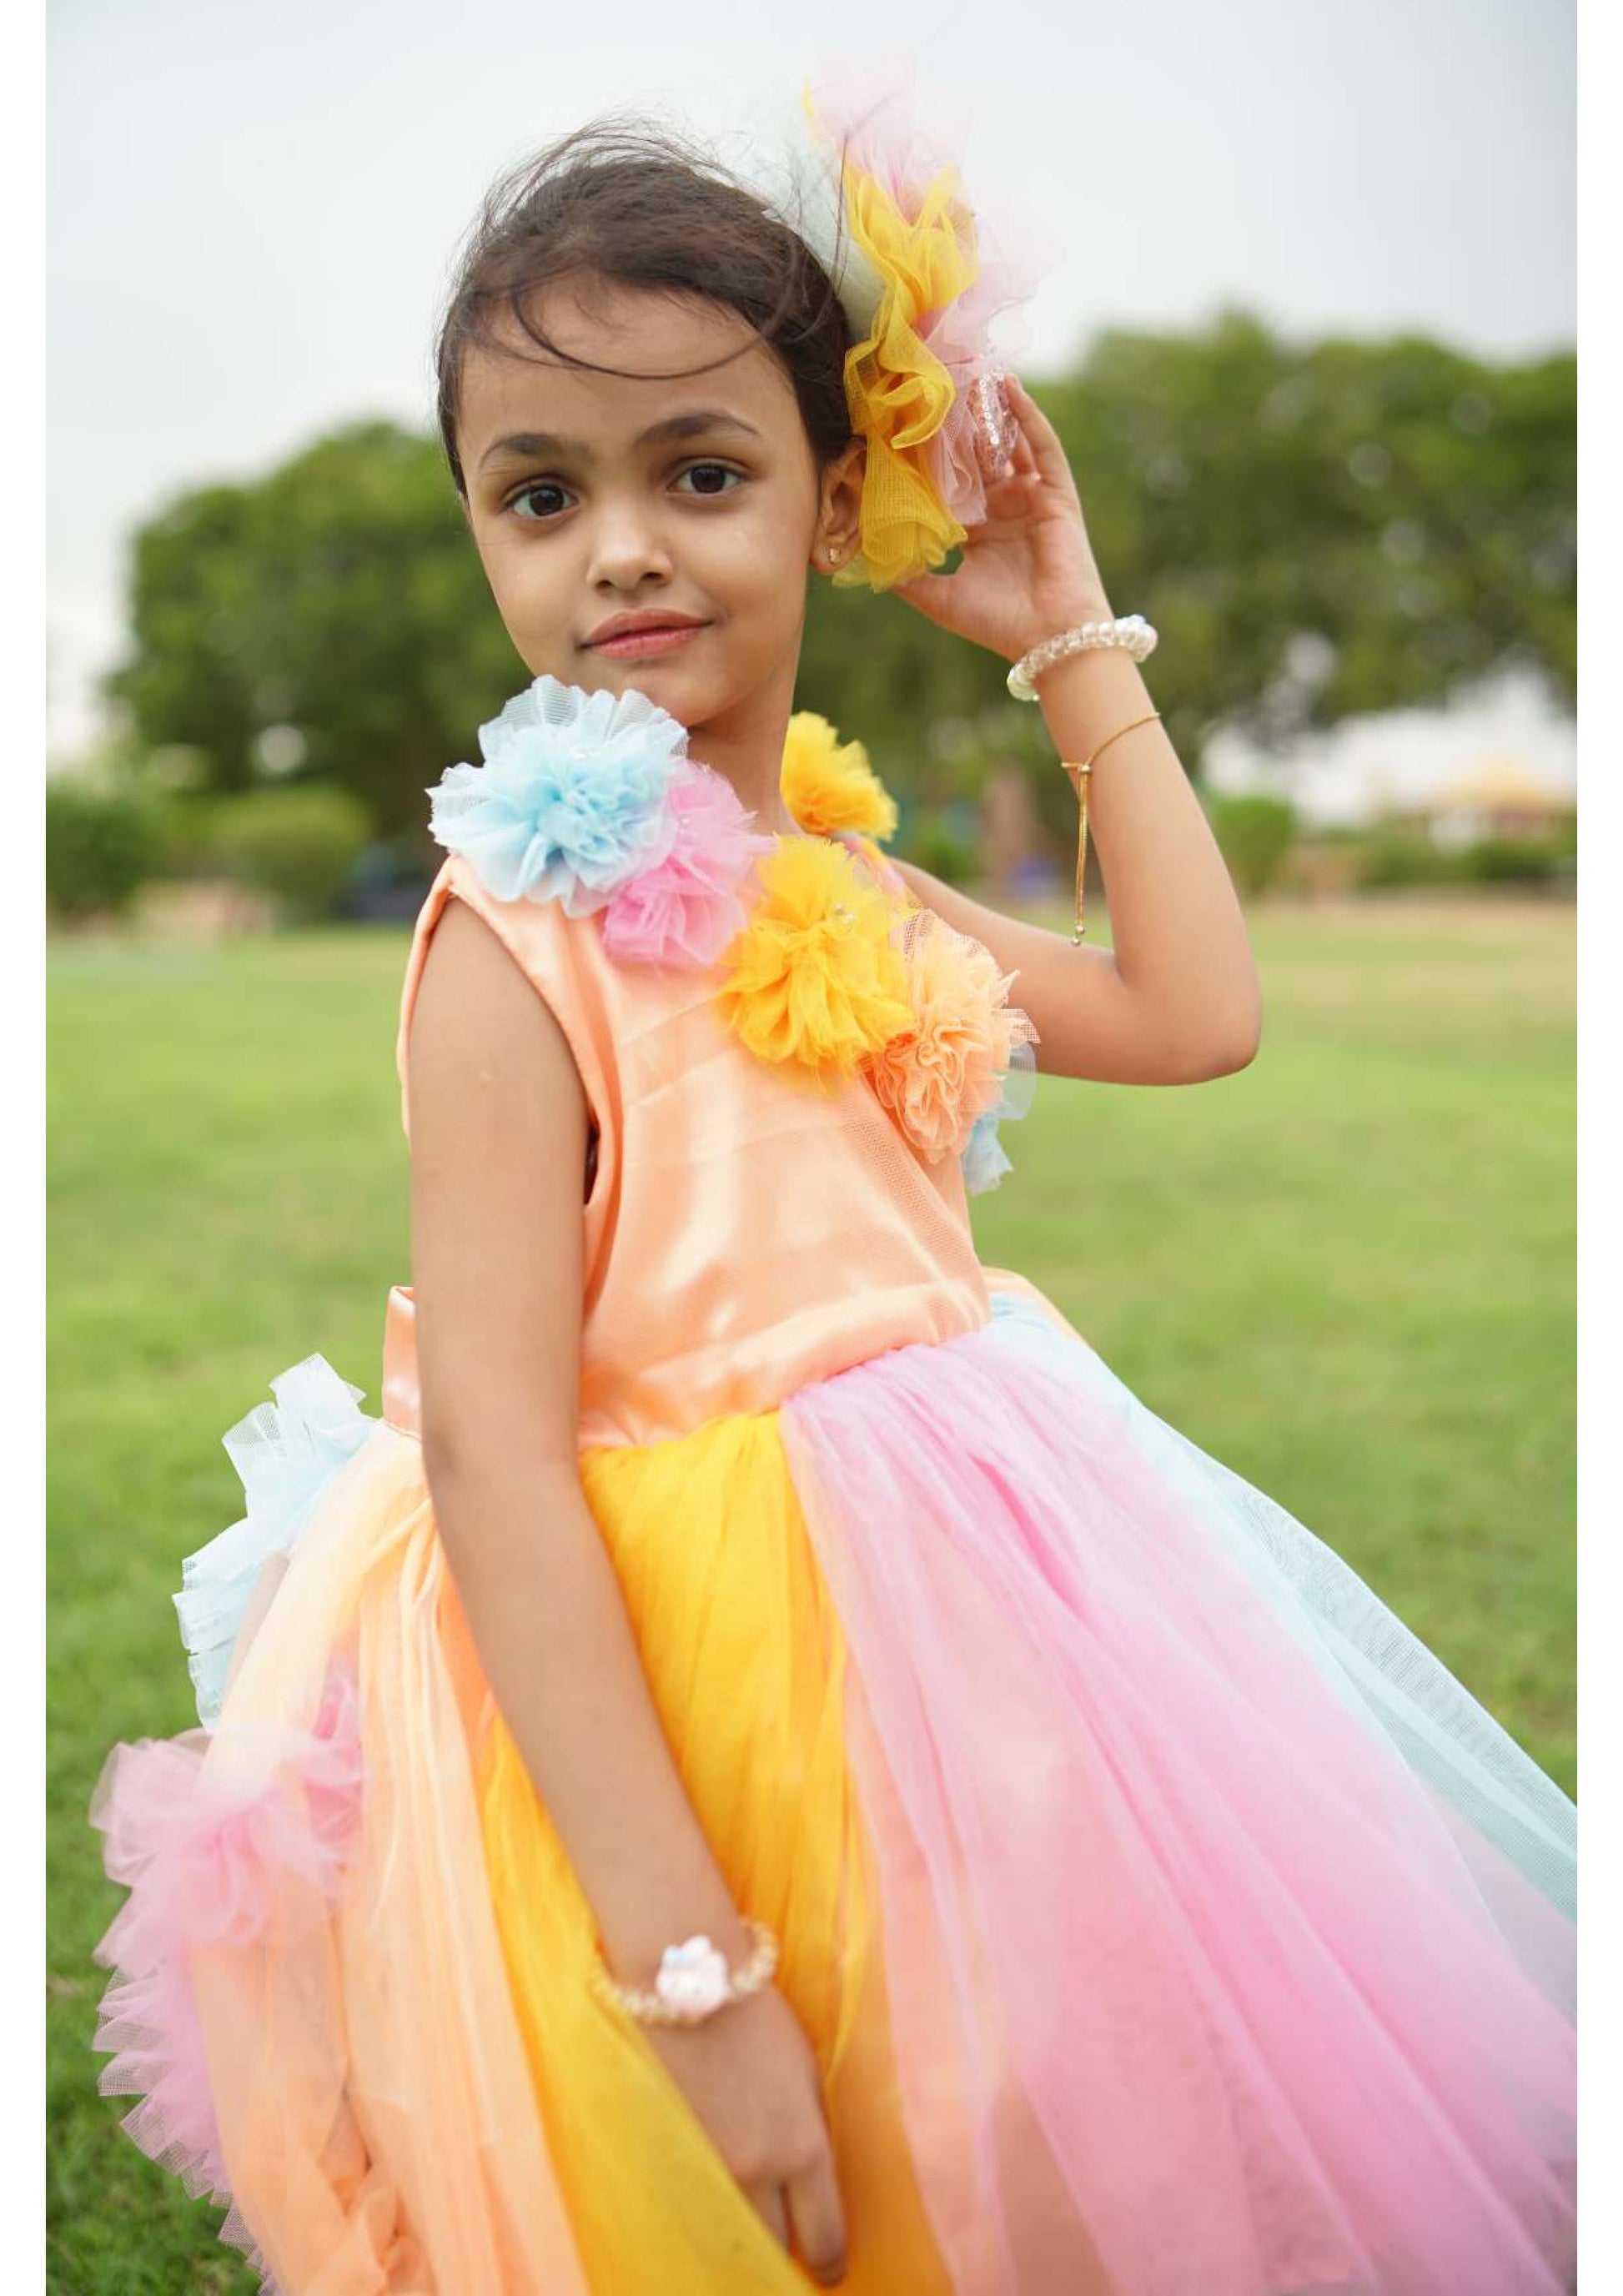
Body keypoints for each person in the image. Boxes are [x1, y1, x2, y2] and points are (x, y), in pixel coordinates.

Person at [85, 63, 1576, 2296]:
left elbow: (1192, 1011)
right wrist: (687, 1963)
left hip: (964, 1633)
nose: (618, 548)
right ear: (479, 524)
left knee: (1024, 2125)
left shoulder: (847, 882)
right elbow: (496, 1453)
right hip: (689, 1683)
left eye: (701, 472)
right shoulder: (519, 928)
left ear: (827, 497)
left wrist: (1072, 634)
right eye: (537, 491)